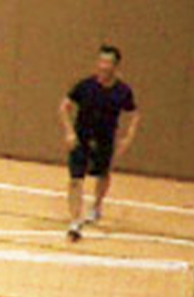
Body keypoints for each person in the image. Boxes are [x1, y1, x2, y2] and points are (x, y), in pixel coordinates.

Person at [59, 45, 138, 242]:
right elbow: (64, 107)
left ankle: (96, 205)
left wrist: (128, 137)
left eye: (108, 62)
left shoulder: (122, 91)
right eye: (101, 61)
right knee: (75, 179)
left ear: (115, 66)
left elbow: (134, 114)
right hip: (81, 138)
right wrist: (69, 132)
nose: (103, 66)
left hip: (104, 140)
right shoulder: (85, 86)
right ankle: (75, 220)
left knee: (102, 174)